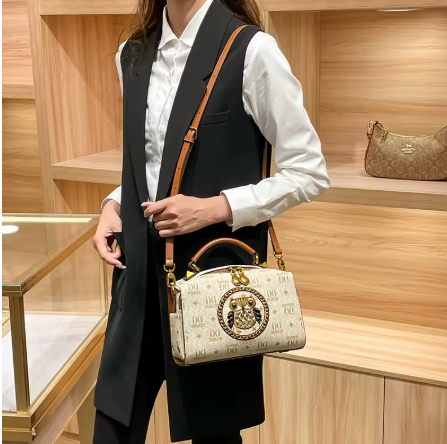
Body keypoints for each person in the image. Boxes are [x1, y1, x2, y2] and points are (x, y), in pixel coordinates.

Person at [92, 0, 330, 442]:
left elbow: (309, 172)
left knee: (214, 434)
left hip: (210, 289)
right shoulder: (132, 54)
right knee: (111, 427)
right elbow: (150, 162)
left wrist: (217, 207)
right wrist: (115, 204)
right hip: (137, 282)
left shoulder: (251, 50)